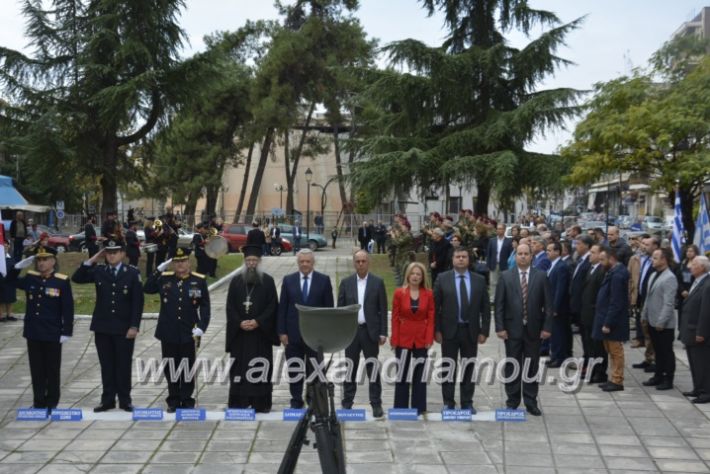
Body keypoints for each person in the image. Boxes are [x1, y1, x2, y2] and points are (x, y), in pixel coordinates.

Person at [72, 239, 144, 412]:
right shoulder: (99, 271)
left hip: (124, 328)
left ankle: (125, 400)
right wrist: (94, 258)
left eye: (115, 252)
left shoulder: (132, 273)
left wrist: (134, 326)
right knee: (106, 365)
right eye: (109, 252)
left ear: (123, 254)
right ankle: (108, 400)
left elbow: (137, 303)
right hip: (103, 327)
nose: (111, 256)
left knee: (123, 365)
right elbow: (77, 278)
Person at [144, 247, 210, 412]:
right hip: (168, 331)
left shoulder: (199, 280)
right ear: (172, 263)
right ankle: (173, 400)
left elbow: (205, 306)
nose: (180, 264)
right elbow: (147, 288)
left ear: (189, 262)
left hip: (190, 331)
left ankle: (187, 399)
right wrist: (159, 269)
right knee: (170, 367)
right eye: (177, 261)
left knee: (188, 367)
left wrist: (202, 327)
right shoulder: (164, 279)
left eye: (183, 261)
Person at [8, 246, 73, 411]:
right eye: (39, 260)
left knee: (52, 369)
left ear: (53, 261)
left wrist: (66, 331)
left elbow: (68, 308)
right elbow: (9, 282)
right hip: (34, 331)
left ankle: (52, 402)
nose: (42, 263)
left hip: (52, 332)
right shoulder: (31, 278)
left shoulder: (61, 281)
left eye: (45, 259)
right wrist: (16, 268)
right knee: (36, 369)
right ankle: (38, 402)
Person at [494, 243, 551, 416]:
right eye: (520, 253)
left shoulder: (541, 276)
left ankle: (530, 401)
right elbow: (499, 305)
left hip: (534, 330)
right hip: (511, 330)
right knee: (512, 366)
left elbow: (549, 305)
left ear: (532, 256)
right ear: (516, 256)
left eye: (526, 253)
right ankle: (512, 401)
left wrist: (547, 327)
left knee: (531, 366)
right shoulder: (505, 276)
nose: (523, 256)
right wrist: (500, 327)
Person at [434, 247, 490, 412]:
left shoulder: (479, 280)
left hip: (471, 331)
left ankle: (467, 402)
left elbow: (485, 308)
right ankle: (448, 402)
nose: (460, 259)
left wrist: (484, 331)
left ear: (469, 259)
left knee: (468, 367)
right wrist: (436, 330)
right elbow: (435, 307)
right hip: (449, 331)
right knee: (448, 367)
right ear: (452, 259)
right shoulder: (442, 278)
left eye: (464, 256)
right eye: (457, 256)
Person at [277, 249, 334, 408]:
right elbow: (283, 308)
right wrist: (282, 332)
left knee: (315, 370)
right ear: (298, 263)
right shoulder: (289, 280)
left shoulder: (324, 280)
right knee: (294, 369)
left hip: (316, 337)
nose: (305, 264)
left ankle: (313, 398)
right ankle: (296, 400)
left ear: (313, 262)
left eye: (308, 261)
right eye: (302, 261)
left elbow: (329, 310)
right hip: (293, 335)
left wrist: (326, 334)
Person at [225, 245, 279, 411]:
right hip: (240, 335)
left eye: (254, 260)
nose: (251, 263)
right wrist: (239, 322)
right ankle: (239, 402)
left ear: (260, 262)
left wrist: (258, 322)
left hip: (260, 336)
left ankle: (260, 403)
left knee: (260, 367)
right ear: (244, 262)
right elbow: (230, 307)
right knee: (239, 369)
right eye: (248, 260)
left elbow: (272, 307)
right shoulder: (235, 281)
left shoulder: (268, 281)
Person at [338, 250, 388, 417]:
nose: (360, 264)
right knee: (350, 368)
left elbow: (382, 309)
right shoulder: (345, 283)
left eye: (363, 261)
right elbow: (341, 310)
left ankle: (376, 403)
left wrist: (383, 332)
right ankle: (347, 402)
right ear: (354, 263)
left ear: (368, 262)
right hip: (351, 333)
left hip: (370, 332)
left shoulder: (377, 282)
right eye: (358, 261)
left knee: (372, 368)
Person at [391, 262, 434, 415]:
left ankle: (419, 407)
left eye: (418, 274)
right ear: (407, 275)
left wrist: (429, 339)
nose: (415, 276)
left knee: (420, 374)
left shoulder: (428, 294)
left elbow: (431, 317)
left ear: (422, 277)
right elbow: (394, 318)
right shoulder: (399, 293)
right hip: (403, 338)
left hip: (421, 339)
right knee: (402, 374)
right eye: (413, 273)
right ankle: (400, 407)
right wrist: (394, 340)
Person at [593, 247, 630, 392]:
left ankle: (617, 380)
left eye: (602, 259)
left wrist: (608, 322)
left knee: (616, 351)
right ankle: (613, 377)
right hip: (605, 317)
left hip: (613, 322)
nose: (600, 263)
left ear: (612, 258)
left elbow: (616, 301)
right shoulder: (612, 272)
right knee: (610, 350)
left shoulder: (617, 275)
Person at [640, 248, 678, 391]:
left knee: (666, 352)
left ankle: (668, 379)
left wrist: (661, 322)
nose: (652, 260)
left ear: (664, 260)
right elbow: (648, 299)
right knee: (658, 350)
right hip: (651, 320)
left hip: (663, 324)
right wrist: (644, 316)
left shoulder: (670, 277)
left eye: (655, 258)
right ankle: (658, 375)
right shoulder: (654, 275)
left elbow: (669, 303)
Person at [679, 256, 710, 403]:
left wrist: (701, 332)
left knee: (702, 363)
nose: (690, 266)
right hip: (690, 329)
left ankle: (705, 392)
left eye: (694, 264)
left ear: (702, 268)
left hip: (698, 331)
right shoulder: (697, 282)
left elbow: (706, 311)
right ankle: (697, 388)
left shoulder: (707, 284)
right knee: (693, 362)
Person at [631, 236, 659, 372]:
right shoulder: (644, 259)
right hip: (642, 300)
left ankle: (655, 360)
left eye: (647, 244)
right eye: (642, 243)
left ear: (655, 246)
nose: (643, 246)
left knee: (653, 333)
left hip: (653, 302)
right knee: (645, 331)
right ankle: (648, 358)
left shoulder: (658, 262)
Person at [580, 243, 607, 384]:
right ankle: (591, 370)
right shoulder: (591, 268)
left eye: (593, 252)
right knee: (588, 346)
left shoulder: (601, 271)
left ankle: (600, 372)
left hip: (594, 314)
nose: (590, 255)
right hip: (586, 314)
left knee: (597, 347)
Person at [546, 241, 572, 368]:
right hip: (550, 305)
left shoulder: (561, 266)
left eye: (550, 250)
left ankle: (559, 357)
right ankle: (554, 355)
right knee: (553, 333)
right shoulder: (552, 265)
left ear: (557, 251)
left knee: (559, 333)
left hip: (559, 308)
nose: (547, 252)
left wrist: (555, 307)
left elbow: (560, 289)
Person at [485, 223, 513, 300]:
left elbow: (511, 254)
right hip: (494, 264)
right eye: (498, 229)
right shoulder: (492, 240)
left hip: (504, 265)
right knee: (493, 282)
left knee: (505, 282)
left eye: (501, 229)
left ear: (504, 230)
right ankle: (493, 297)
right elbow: (489, 253)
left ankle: (505, 297)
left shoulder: (509, 241)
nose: (499, 230)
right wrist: (488, 265)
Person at [0, 243, 17, 321]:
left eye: (7, 246)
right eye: (4, 246)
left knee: (10, 299)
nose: (5, 248)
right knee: (1, 299)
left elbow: (14, 268)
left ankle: (9, 314)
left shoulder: (11, 258)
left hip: (10, 281)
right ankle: (1, 315)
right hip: (1, 281)